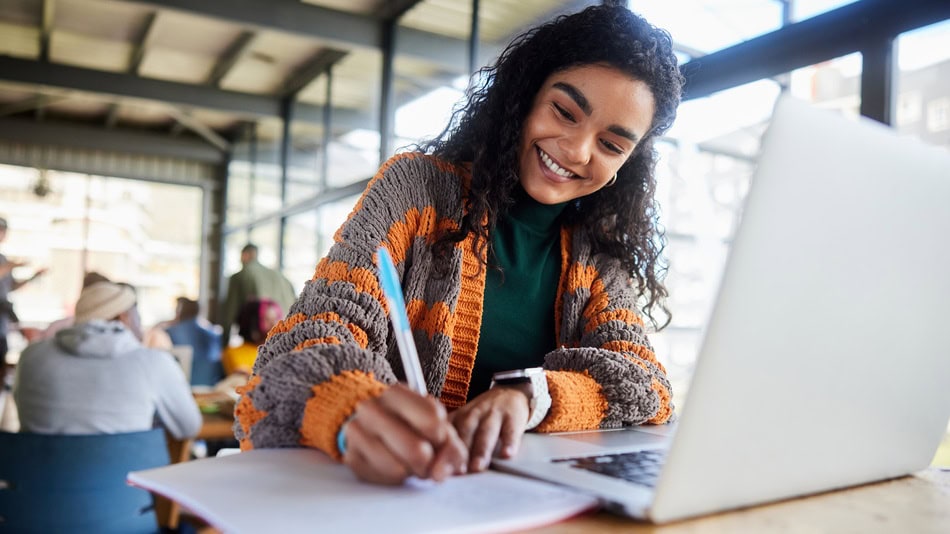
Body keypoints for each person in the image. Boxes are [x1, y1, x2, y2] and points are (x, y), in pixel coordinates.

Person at [234, 4, 682, 485]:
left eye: (612, 145)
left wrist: (531, 395)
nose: (577, 150)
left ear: (628, 164)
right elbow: (299, 347)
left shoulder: (596, 256)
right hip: (389, 498)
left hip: (523, 505)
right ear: (525, 95)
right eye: (565, 111)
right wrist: (349, 406)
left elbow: (646, 383)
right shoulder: (415, 192)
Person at [13, 281, 202, 439]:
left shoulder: (31, 356)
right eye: (138, 314)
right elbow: (189, 427)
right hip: (125, 482)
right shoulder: (155, 362)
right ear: (124, 317)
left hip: (36, 481)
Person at [0, 216, 46, 387]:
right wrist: (13, 265)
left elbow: (11, 286)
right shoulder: (6, 263)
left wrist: (34, 276)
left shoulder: (4, 259)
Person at [219, 244, 296, 347]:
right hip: (286, 337)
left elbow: (230, 312)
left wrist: (224, 343)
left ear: (245, 255)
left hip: (257, 341)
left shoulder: (240, 275)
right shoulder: (280, 276)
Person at [166, 297, 224, 386]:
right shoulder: (213, 332)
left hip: (184, 383)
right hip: (211, 384)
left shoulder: (172, 331)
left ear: (181, 311)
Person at [220, 298, 282, 379]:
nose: (275, 324)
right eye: (267, 320)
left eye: (276, 319)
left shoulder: (280, 350)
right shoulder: (233, 353)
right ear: (252, 324)